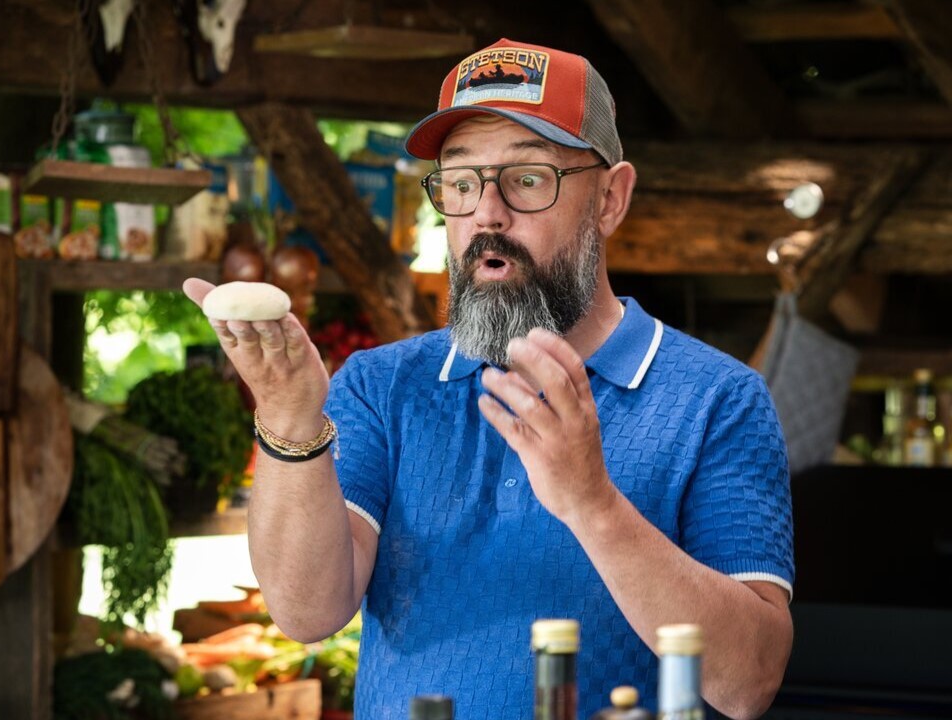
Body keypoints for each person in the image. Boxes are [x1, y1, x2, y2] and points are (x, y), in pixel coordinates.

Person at [183, 38, 794, 720]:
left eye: (528, 179)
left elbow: (748, 683)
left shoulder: (718, 399)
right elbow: (305, 613)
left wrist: (593, 504)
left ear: (610, 199)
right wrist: (289, 418)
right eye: (461, 181)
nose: (486, 213)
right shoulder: (381, 387)